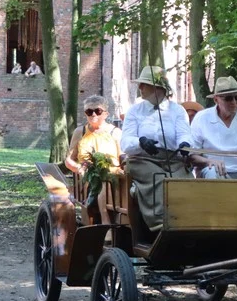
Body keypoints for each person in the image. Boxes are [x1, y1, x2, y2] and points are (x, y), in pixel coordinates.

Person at [120, 65, 194, 231]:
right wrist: (141, 142)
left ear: (157, 88)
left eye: (143, 84)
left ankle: (188, 222)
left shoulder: (177, 111)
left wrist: (185, 144)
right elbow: (125, 141)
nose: (140, 88)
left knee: (186, 183)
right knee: (159, 179)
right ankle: (160, 224)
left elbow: (184, 133)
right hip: (142, 159)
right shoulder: (134, 111)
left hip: (173, 159)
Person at [65, 95, 122, 225]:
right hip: (87, 177)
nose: (93, 114)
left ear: (106, 114)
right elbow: (69, 160)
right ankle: (106, 224)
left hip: (113, 176)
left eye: (98, 111)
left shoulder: (116, 133)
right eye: (89, 112)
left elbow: (123, 158)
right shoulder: (80, 132)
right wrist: (80, 169)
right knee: (101, 182)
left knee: (106, 180)